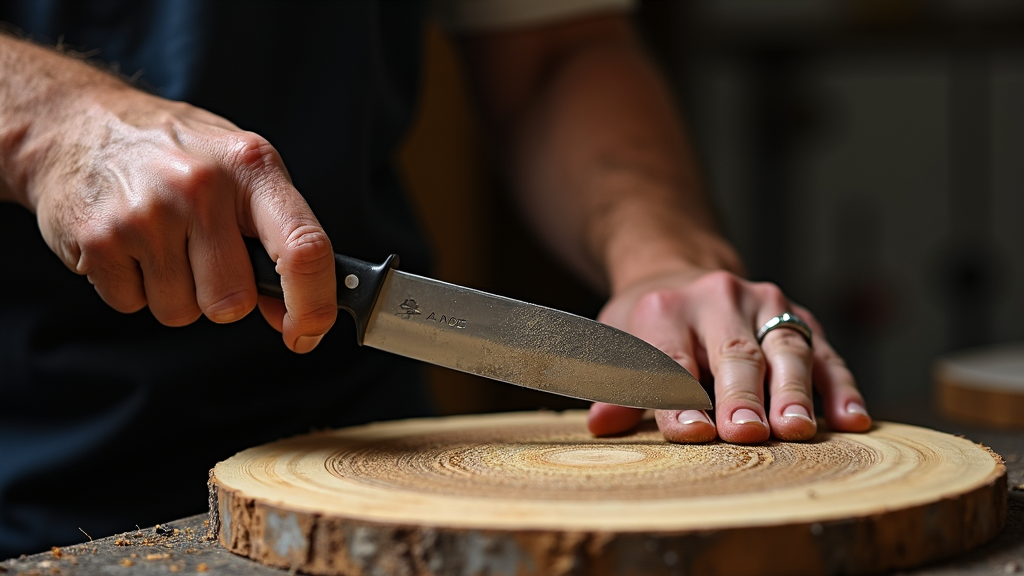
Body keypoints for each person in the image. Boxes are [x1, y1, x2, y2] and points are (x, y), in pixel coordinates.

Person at [0, 0, 871, 556]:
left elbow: (553, 52)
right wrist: (49, 123)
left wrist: (663, 256)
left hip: (371, 461)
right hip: (28, 470)